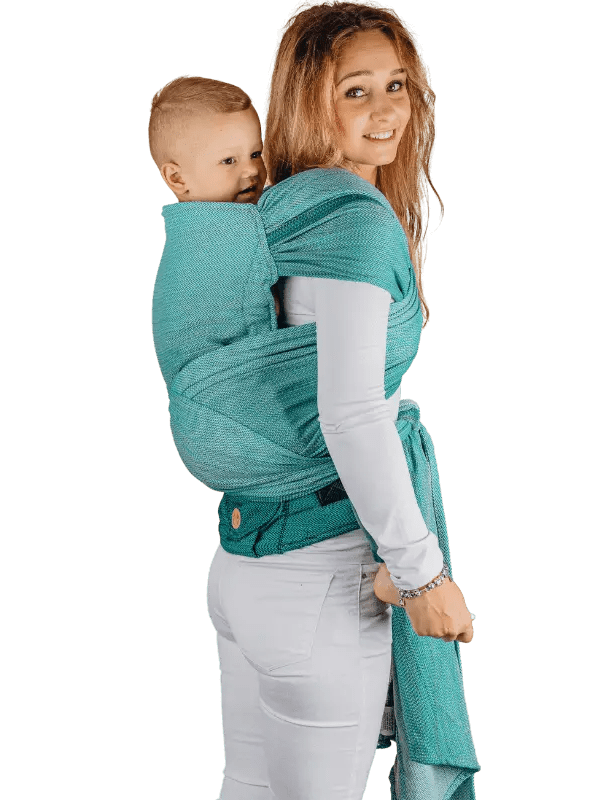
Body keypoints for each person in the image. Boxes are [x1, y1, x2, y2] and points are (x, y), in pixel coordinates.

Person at [149, 3, 480, 798]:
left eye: (396, 85)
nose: (387, 109)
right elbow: (353, 414)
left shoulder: (278, 205)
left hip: (243, 568)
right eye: (355, 90)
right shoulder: (354, 225)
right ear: (308, 99)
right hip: (322, 581)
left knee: (246, 788)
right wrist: (422, 573)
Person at [147, 74, 282, 321]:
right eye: (229, 160)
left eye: (255, 154)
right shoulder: (207, 241)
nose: (251, 170)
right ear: (177, 178)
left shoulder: (239, 217)